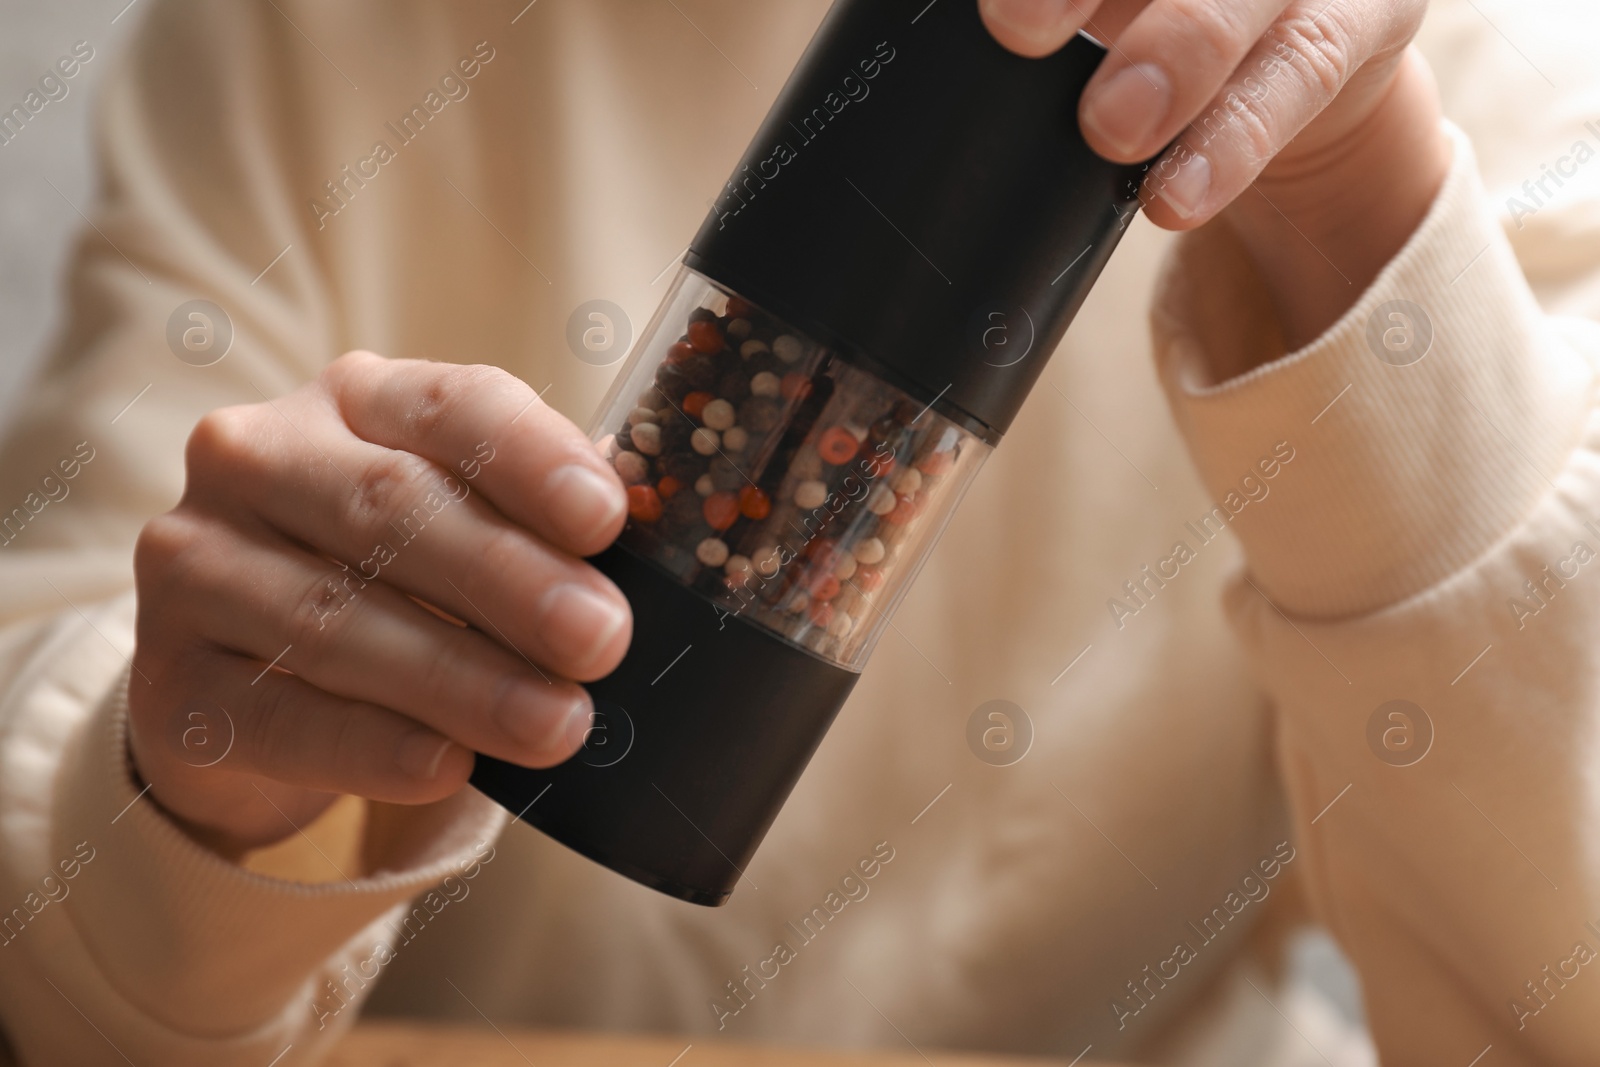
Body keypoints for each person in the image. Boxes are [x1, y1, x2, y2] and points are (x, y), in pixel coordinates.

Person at [0, 0, 1596, 1063]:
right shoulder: (315, 36)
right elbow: (44, 936)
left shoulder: (1440, 57)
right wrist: (192, 798)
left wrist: (1360, 201)